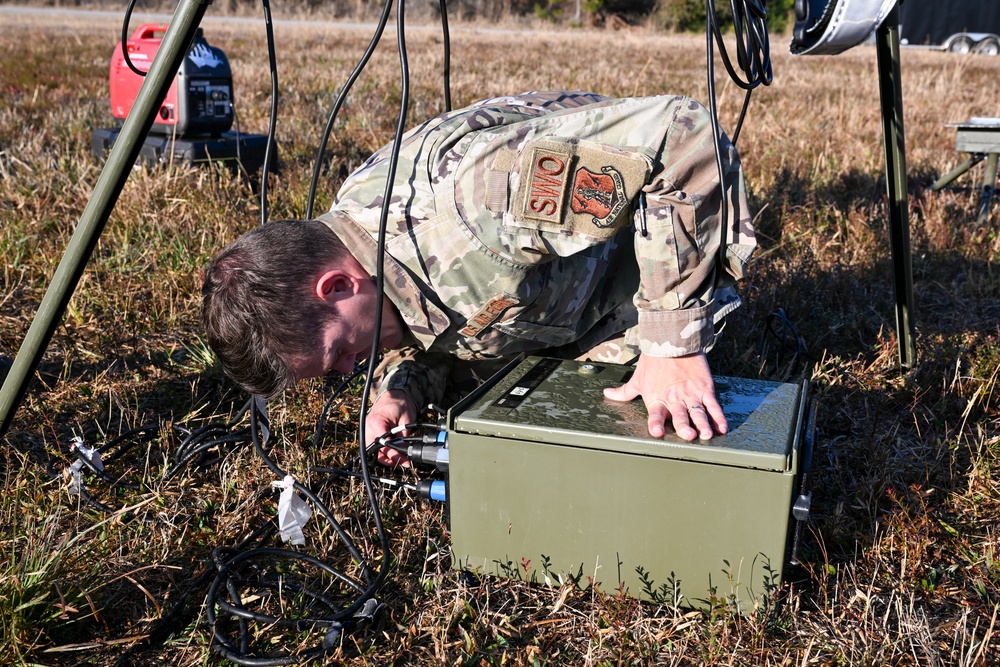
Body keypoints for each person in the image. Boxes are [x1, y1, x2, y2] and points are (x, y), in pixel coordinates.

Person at [202, 91, 756, 463]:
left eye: (340, 353)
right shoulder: (354, 237)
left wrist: (672, 344)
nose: (353, 368)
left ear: (338, 285)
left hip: (631, 266)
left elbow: (685, 137)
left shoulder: (474, 207)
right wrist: (398, 394)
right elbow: (418, 310)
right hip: (548, 294)